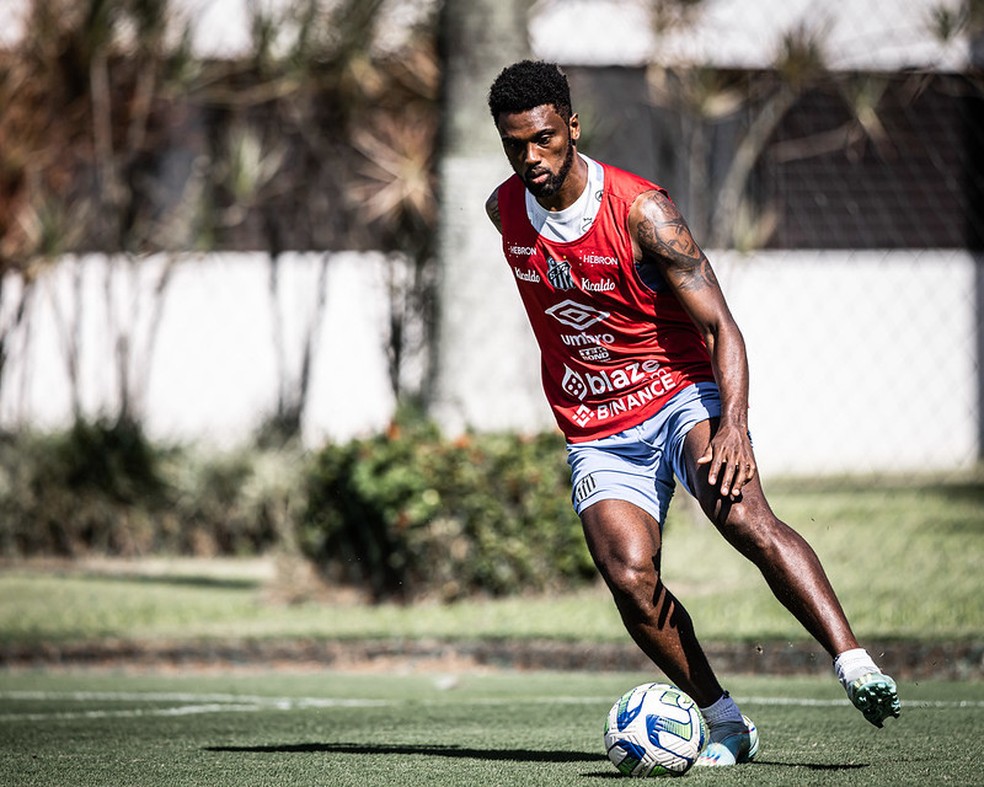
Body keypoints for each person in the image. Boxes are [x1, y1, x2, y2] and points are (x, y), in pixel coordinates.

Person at [484, 60, 900, 766]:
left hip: (678, 393)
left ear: (572, 127)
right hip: (597, 426)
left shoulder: (643, 211)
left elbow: (720, 328)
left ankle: (853, 660)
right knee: (630, 578)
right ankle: (726, 720)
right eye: (516, 144)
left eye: (545, 139)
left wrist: (733, 424)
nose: (532, 157)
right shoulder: (503, 210)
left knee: (742, 515)